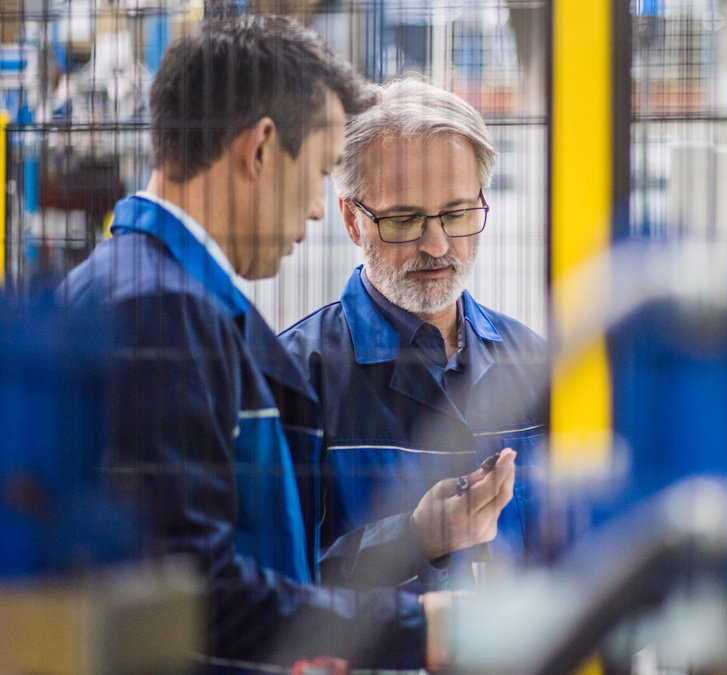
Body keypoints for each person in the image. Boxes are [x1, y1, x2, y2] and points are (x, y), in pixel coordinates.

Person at [59, 16, 481, 671]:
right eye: (316, 172)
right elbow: (198, 592)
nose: (318, 210)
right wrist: (413, 626)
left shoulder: (136, 288)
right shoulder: (160, 311)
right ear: (259, 150)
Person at [278, 75, 548, 590]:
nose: (437, 243)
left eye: (457, 212)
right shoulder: (295, 377)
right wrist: (413, 539)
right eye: (404, 219)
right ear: (351, 220)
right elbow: (276, 600)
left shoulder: (531, 363)